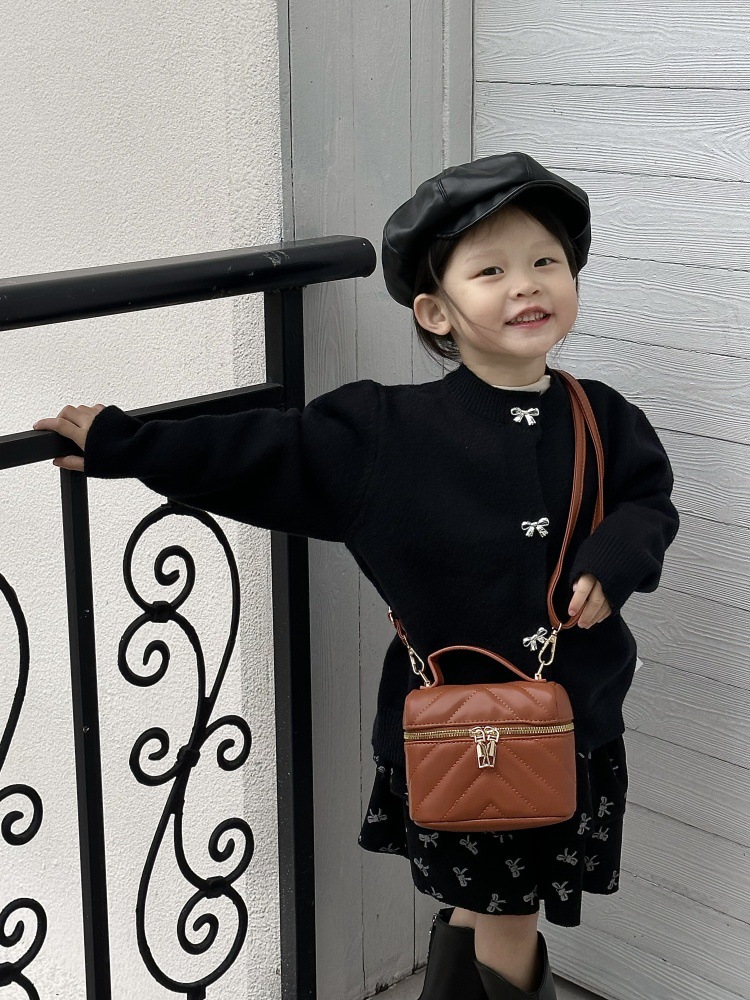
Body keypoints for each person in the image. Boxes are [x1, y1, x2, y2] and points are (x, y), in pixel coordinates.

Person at [32, 151, 680, 1000]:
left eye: (545, 261)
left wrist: (616, 558)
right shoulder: (387, 431)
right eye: (491, 270)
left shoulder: (607, 418)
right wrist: (128, 445)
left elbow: (647, 501)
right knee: (504, 912)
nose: (526, 283)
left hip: (573, 724)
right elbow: (264, 453)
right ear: (435, 311)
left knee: (489, 906)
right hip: (452, 731)